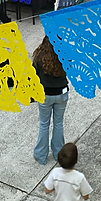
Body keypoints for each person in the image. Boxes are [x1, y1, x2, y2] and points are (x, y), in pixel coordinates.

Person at [32, 36, 69, 165]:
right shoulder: (64, 53)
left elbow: (34, 76)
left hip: (45, 95)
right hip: (62, 93)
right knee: (58, 124)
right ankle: (58, 153)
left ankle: (41, 155)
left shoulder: (38, 55)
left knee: (44, 124)